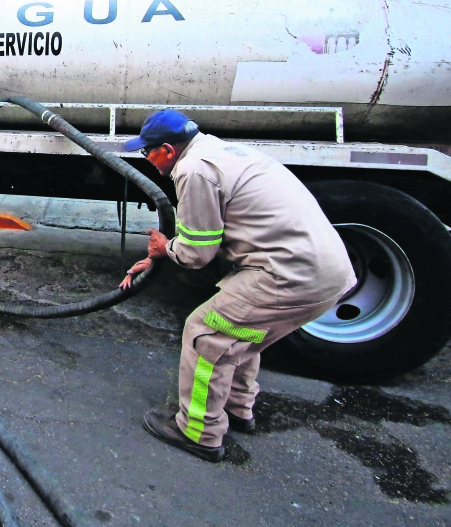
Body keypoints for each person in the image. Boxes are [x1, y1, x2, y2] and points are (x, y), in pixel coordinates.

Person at [120, 109, 356, 462]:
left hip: (289, 275)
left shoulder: (194, 170)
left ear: (168, 150)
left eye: (148, 152)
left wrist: (164, 248)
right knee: (240, 333)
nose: (148, 160)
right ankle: (236, 408)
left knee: (206, 334)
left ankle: (199, 432)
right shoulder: (222, 151)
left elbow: (198, 254)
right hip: (326, 272)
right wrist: (163, 255)